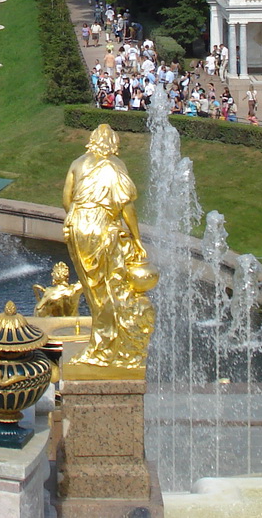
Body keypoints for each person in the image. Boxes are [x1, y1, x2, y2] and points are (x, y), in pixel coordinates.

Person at [63, 124, 156, 369]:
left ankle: (104, 343)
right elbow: (127, 208)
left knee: (93, 289)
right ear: (114, 143)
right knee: (108, 289)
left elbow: (66, 200)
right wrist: (136, 238)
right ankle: (106, 348)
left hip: (77, 226)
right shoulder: (115, 166)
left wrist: (81, 217)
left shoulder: (77, 163)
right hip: (102, 227)